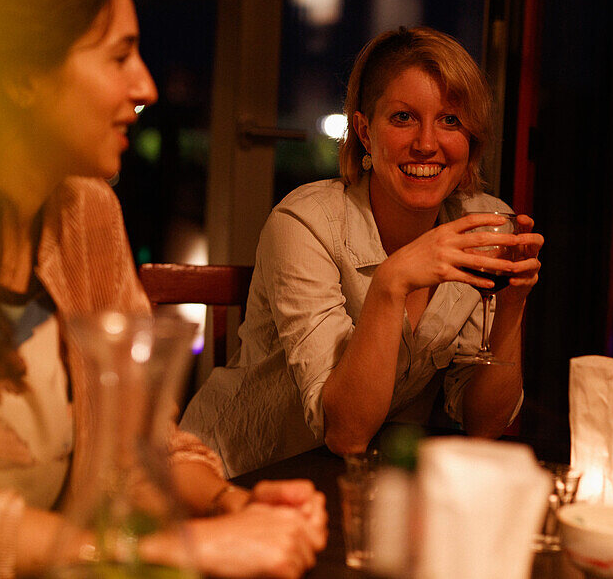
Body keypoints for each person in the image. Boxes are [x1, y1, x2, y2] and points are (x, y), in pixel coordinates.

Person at [0, 0, 325, 578]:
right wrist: (163, 550)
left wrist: (232, 504)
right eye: (119, 58)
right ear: (22, 77)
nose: (146, 88)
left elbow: (134, 446)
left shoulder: (85, 215)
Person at [182, 26, 543, 476]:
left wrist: (511, 306)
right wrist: (392, 282)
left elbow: (485, 424)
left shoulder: (483, 226)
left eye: (450, 120)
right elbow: (346, 432)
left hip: (362, 483)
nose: (427, 143)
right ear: (365, 132)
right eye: (403, 117)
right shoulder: (304, 224)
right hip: (237, 475)